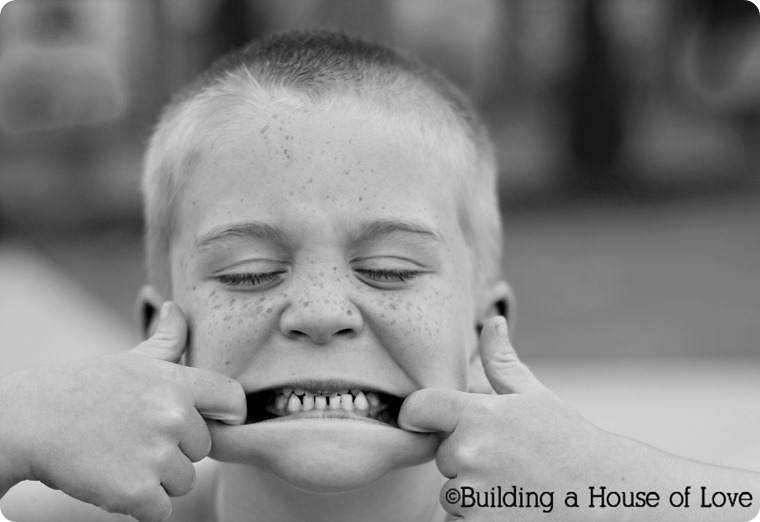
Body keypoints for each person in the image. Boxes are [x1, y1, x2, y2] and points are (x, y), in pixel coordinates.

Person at [1, 30, 758, 522]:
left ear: (484, 331)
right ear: (156, 332)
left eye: (388, 270)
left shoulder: (599, 500)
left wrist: (611, 484)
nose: (321, 310)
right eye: (249, 273)